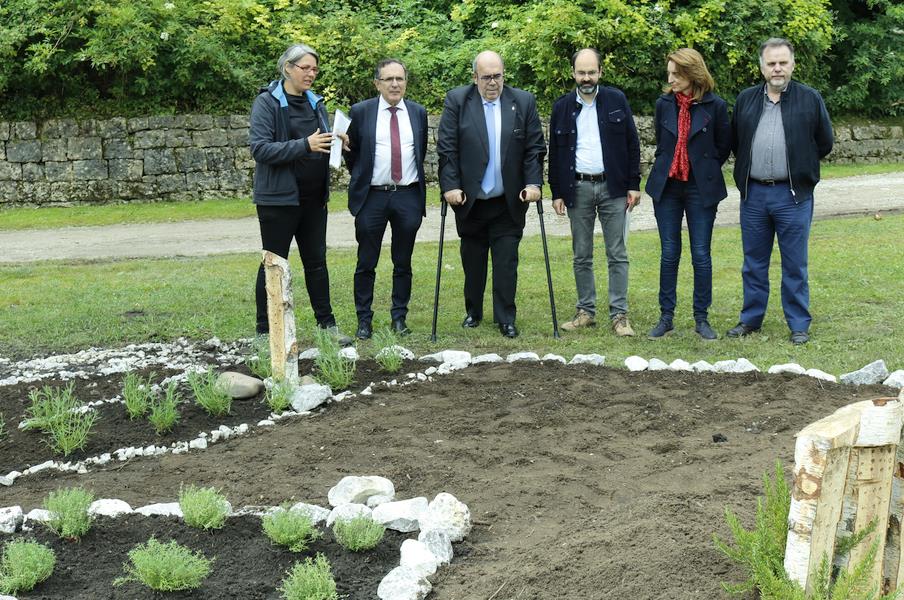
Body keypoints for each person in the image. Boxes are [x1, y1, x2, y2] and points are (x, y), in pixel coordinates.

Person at [727, 38, 833, 345]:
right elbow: (735, 141)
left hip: (793, 196)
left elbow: (824, 142)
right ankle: (751, 320)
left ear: (792, 65)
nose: (777, 68)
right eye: (771, 63)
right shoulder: (746, 99)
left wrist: (801, 168)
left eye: (782, 62)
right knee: (754, 262)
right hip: (755, 195)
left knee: (795, 263)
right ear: (762, 67)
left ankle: (798, 324)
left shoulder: (810, 98)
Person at [436, 50, 546, 338]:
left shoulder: (522, 101)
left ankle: (506, 317)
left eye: (497, 76)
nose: (493, 82)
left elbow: (534, 148)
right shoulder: (458, 101)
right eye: (486, 77)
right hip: (470, 200)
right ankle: (473, 311)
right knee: (473, 261)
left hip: (508, 200)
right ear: (475, 78)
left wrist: (533, 183)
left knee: (506, 262)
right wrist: (450, 186)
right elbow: (447, 148)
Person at [248, 43, 351, 345]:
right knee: (274, 264)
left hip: (313, 199)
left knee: (317, 263)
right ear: (288, 68)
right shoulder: (267, 103)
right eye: (305, 67)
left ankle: (327, 328)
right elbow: (261, 149)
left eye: (315, 69)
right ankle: (264, 332)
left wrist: (336, 140)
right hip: (278, 200)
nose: (311, 73)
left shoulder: (315, 102)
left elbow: (318, 141)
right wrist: (304, 145)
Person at [549, 48, 641, 337]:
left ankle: (620, 315)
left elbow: (632, 143)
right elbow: (556, 152)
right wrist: (557, 192)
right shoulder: (562, 106)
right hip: (577, 188)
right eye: (581, 72)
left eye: (591, 72)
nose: (586, 77)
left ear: (600, 72)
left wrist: (633, 184)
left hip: (613, 187)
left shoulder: (616, 100)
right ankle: (585, 311)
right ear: (573, 73)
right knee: (581, 255)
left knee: (617, 253)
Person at [644, 48, 731, 340]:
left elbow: (722, 147)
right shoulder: (663, 104)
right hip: (667, 187)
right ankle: (666, 317)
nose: (670, 79)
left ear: (692, 74)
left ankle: (701, 318)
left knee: (701, 254)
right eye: (669, 73)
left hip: (700, 187)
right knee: (669, 253)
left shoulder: (715, 106)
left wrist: (701, 167)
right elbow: (662, 144)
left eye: (676, 74)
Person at [345, 59, 428, 340]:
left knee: (402, 261)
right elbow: (351, 154)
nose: (395, 84)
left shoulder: (418, 113)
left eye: (400, 79)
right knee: (366, 261)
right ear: (377, 83)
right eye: (388, 79)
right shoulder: (361, 112)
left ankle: (399, 318)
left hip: (407, 195)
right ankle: (364, 320)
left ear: (406, 82)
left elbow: (420, 151)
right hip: (372, 197)